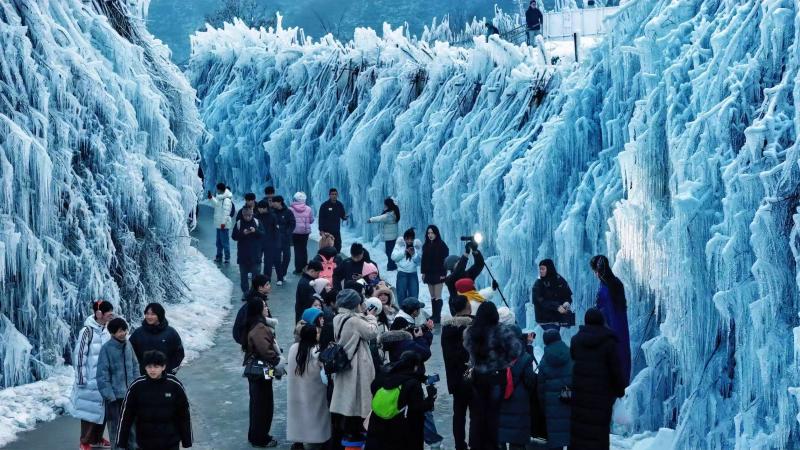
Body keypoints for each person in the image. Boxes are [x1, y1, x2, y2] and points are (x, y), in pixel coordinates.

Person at [463, 302, 523, 450]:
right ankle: (492, 445)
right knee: (493, 414)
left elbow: (467, 346)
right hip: (497, 377)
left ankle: (476, 445)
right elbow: (516, 350)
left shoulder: (471, 331)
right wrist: (503, 362)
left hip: (477, 376)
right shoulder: (502, 330)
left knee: (477, 414)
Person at [570, 308, 627, 449]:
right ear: (602, 321)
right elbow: (615, 370)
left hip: (580, 395)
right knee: (598, 433)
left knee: (580, 431)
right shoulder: (609, 342)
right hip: (601, 397)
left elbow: (573, 361)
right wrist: (619, 391)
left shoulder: (576, 341)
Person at [329, 289, 379, 445]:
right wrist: (371, 317)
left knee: (348, 398)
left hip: (344, 363)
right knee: (359, 399)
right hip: (357, 364)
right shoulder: (354, 321)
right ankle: (357, 432)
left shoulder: (338, 318)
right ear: (354, 304)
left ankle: (349, 432)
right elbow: (371, 332)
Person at [116, 350, 192, 450]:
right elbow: (126, 415)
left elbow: (184, 413)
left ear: (163, 367)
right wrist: (121, 441)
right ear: (145, 367)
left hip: (170, 440)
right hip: (145, 441)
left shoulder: (174, 385)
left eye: (156, 367)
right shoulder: (137, 386)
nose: (152, 370)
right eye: (149, 367)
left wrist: (187, 440)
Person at [364, 351, 437, 450]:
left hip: (376, 428)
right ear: (415, 367)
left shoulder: (385, 375)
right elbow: (418, 408)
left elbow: (373, 387)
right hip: (399, 433)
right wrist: (431, 397)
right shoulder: (412, 384)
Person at [72, 300, 114, 450]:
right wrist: (81, 379)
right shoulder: (87, 331)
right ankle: (84, 441)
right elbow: (79, 356)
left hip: (104, 379)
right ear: (99, 313)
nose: (111, 315)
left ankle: (97, 438)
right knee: (89, 411)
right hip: (90, 380)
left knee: (102, 410)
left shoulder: (107, 330)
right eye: (108, 312)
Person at [241, 299, 281, 448]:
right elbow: (265, 350)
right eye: (264, 306)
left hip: (261, 369)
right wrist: (277, 360)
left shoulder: (257, 324)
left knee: (261, 401)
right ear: (258, 309)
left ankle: (257, 434)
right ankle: (260, 437)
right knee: (263, 403)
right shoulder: (259, 328)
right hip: (261, 369)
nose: (267, 308)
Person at [96, 318, 139, 450]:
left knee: (132, 426)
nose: (123, 333)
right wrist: (109, 395)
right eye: (119, 331)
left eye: (124, 330)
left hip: (130, 395)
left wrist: (137, 387)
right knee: (116, 428)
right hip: (115, 397)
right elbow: (102, 375)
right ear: (112, 333)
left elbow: (135, 366)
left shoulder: (128, 345)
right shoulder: (106, 349)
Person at [287, 324, 331, 449]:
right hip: (315, 390)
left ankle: (298, 441)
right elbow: (322, 371)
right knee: (316, 415)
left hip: (295, 390)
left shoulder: (293, 348)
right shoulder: (316, 351)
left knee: (297, 415)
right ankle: (318, 438)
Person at [590, 254, 631, 386]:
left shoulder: (605, 287)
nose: (595, 274)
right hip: (620, 325)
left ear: (599, 271)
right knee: (622, 351)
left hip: (610, 326)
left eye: (595, 271)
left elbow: (602, 308)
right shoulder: (616, 282)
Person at [441, 295, 473, 450]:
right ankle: (475, 442)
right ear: (467, 306)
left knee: (459, 414)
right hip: (472, 377)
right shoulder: (471, 327)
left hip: (455, 378)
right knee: (476, 413)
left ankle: (460, 445)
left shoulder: (447, 329)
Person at [497, 326, 536, 450]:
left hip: (500, 404)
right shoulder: (525, 358)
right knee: (517, 444)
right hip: (519, 406)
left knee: (500, 439)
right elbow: (530, 382)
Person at [537, 328, 572, 449]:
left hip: (552, 406)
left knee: (556, 441)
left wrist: (543, 407)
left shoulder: (544, 360)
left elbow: (540, 387)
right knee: (571, 437)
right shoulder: (571, 355)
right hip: (569, 401)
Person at [129, 302, 185, 375]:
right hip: (143, 375)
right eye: (147, 314)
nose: (149, 317)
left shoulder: (171, 333)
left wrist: (170, 370)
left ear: (160, 315)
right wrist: (139, 370)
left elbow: (179, 353)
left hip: (165, 375)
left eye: (153, 314)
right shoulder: (138, 333)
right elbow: (130, 353)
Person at [532, 259, 574, 331]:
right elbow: (540, 301)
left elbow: (567, 295)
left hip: (557, 318)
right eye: (540, 269)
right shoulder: (538, 283)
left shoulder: (559, 279)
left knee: (555, 334)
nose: (540, 271)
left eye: (543, 269)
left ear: (549, 269)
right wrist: (556, 307)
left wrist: (567, 302)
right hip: (545, 319)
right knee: (553, 334)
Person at [232, 207, 265, 293]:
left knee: (256, 277)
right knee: (244, 277)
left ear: (252, 214)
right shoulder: (239, 223)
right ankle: (246, 293)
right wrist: (243, 233)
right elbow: (234, 236)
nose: (247, 217)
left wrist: (255, 231)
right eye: (245, 215)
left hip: (256, 255)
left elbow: (263, 234)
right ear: (243, 215)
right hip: (243, 255)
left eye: (249, 215)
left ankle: (254, 293)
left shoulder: (257, 222)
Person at [420, 225, 449, 324]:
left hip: (438, 273)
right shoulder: (426, 245)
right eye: (428, 233)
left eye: (432, 233)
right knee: (432, 296)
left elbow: (445, 261)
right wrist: (423, 272)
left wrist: (444, 273)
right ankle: (433, 315)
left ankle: (437, 316)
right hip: (429, 274)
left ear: (436, 233)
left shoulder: (442, 245)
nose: (430, 235)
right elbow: (423, 261)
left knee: (437, 296)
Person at [443, 240, 485, 305]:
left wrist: (475, 251)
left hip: (473, 304)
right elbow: (458, 271)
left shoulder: (468, 274)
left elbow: (479, 264)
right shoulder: (450, 280)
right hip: (461, 308)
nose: (460, 262)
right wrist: (466, 253)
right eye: (458, 262)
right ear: (452, 266)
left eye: (460, 261)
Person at [234, 275, 271, 345]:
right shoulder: (257, 303)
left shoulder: (254, 300)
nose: (270, 286)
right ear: (260, 288)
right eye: (267, 284)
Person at [368, 198, 400, 271]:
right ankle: (392, 264)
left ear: (388, 205)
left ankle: (391, 266)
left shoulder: (388, 215)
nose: (384, 206)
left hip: (389, 237)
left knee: (389, 252)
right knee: (391, 251)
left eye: (385, 205)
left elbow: (379, 218)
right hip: (393, 235)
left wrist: (370, 220)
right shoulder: (394, 212)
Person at [392, 228, 422, 304]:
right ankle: (402, 310)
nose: (409, 241)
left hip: (413, 274)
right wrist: (404, 253)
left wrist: (413, 254)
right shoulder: (400, 245)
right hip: (402, 273)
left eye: (411, 239)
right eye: (407, 239)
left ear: (414, 239)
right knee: (401, 295)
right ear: (404, 239)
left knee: (414, 295)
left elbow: (419, 262)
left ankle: (413, 310)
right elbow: (393, 257)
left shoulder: (416, 247)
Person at [271, 195, 296, 286]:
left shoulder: (288, 212)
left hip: (285, 239)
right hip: (275, 239)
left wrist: (287, 233)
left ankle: (283, 273)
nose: (272, 203)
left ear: (279, 202)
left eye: (274, 202)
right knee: (277, 258)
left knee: (287, 257)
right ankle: (279, 277)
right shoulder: (272, 212)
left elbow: (292, 223)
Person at [290, 191, 315, 275]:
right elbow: (311, 220)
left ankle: (298, 269)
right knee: (303, 249)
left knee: (297, 250)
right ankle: (304, 268)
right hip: (305, 232)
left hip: (294, 232)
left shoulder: (291, 209)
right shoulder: (308, 209)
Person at [209, 182, 233, 263]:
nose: (216, 190)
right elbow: (216, 205)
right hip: (219, 224)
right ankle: (219, 256)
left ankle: (227, 258)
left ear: (220, 189)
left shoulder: (226, 200)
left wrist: (223, 223)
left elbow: (226, 212)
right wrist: (211, 198)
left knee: (225, 242)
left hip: (223, 225)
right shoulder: (221, 198)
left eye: (217, 189)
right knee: (218, 242)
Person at [255, 199, 279, 282]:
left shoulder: (273, 216)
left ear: (265, 208)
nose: (259, 209)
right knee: (257, 260)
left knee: (268, 262)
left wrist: (276, 242)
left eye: (260, 208)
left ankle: (267, 278)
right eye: (258, 208)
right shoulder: (256, 216)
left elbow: (276, 230)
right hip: (258, 242)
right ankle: (256, 277)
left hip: (270, 242)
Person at [319, 188, 348, 253]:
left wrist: (345, 217)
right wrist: (321, 231)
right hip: (327, 232)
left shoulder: (339, 204)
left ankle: (336, 259)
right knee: (327, 249)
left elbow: (342, 215)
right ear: (329, 195)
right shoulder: (324, 205)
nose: (334, 196)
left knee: (338, 247)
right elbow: (321, 219)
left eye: (335, 194)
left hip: (336, 231)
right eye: (332, 194)